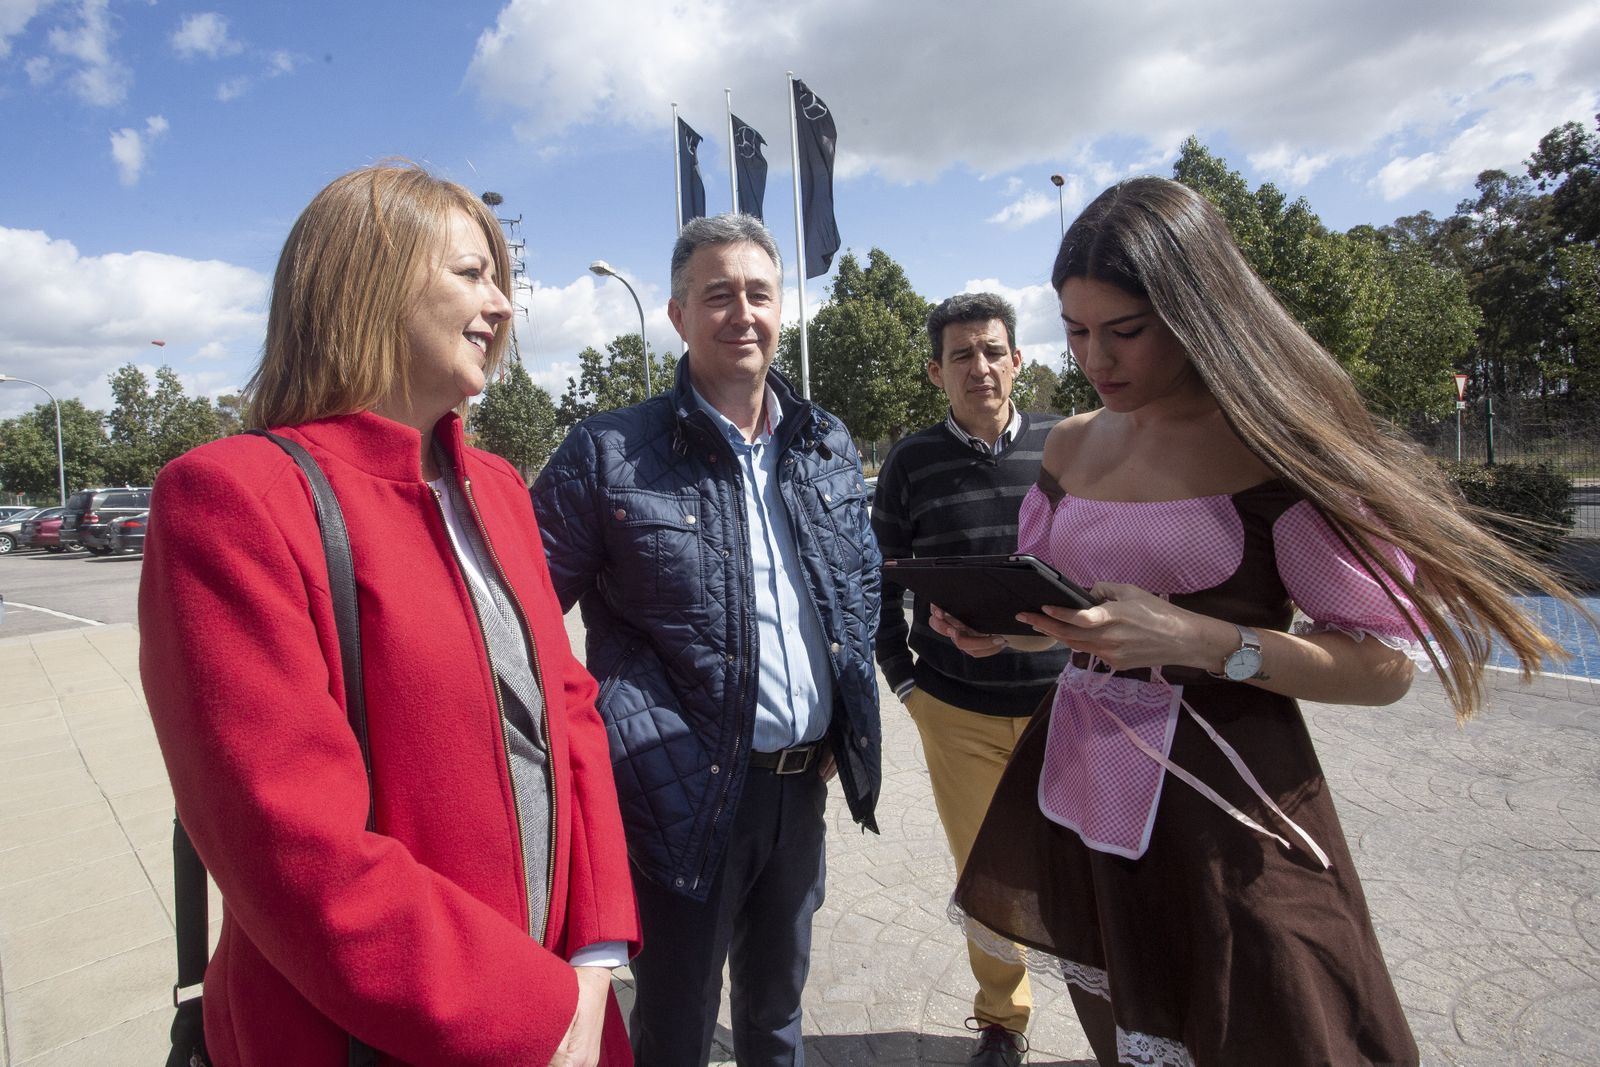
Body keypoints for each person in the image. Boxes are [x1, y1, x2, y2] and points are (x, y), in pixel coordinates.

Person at [932, 176, 1575, 1067]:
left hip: (1235, 814)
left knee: (1287, 1024)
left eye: (1124, 331)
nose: (1096, 359)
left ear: (1200, 313)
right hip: (1088, 797)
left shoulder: (1278, 452)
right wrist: (1013, 629)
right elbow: (1083, 621)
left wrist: (1204, 641)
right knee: (1131, 1034)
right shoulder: (1073, 445)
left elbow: (1383, 665)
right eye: (1077, 332)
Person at [140, 163, 639, 1067]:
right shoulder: (231, 498)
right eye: (470, 273)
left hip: (567, 1004)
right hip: (383, 1035)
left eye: (502, 279)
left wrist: (597, 957)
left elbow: (568, 710)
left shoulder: (494, 487)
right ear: (365, 280)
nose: (502, 303)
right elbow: (293, 849)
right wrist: (532, 1014)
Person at [532, 213, 882, 1067]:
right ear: (678, 315)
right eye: (716, 295)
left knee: (776, 1016)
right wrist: (603, 742)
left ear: (781, 308)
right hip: (676, 798)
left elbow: (858, 582)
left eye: (758, 293)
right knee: (678, 1029)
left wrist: (846, 712)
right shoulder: (609, 452)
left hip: (799, 793)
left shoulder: (825, 440)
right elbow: (527, 621)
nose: (742, 312)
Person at [872, 292, 1068, 1066]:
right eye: (962, 355)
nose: (980, 367)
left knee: (1100, 862)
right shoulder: (911, 462)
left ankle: (1128, 1012)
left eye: (993, 350)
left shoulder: (1068, 449)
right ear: (935, 372)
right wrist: (905, 682)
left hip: (1070, 705)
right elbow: (880, 576)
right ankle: (1002, 1019)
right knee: (987, 870)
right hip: (956, 711)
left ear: (1019, 359)